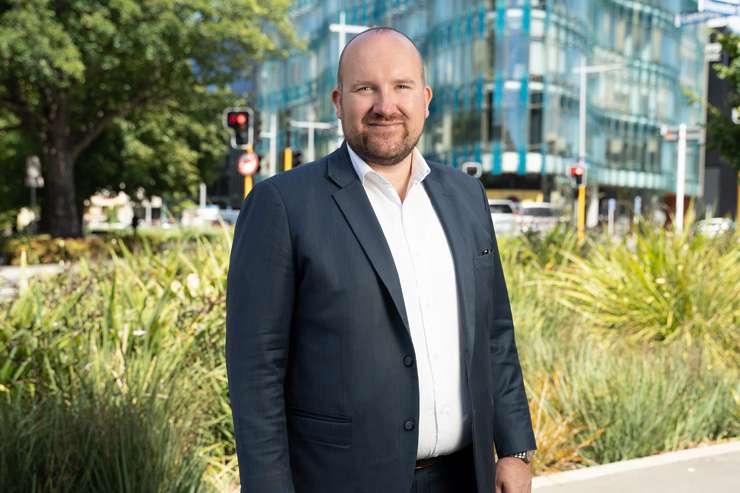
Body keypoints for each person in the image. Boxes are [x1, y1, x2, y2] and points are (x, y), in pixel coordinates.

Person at [226, 27, 536, 493]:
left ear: (426, 99)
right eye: (365, 87)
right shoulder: (282, 205)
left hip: (463, 478)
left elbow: (494, 334)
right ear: (338, 100)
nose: (385, 105)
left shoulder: (466, 196)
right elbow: (257, 373)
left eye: (401, 86)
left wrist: (514, 449)